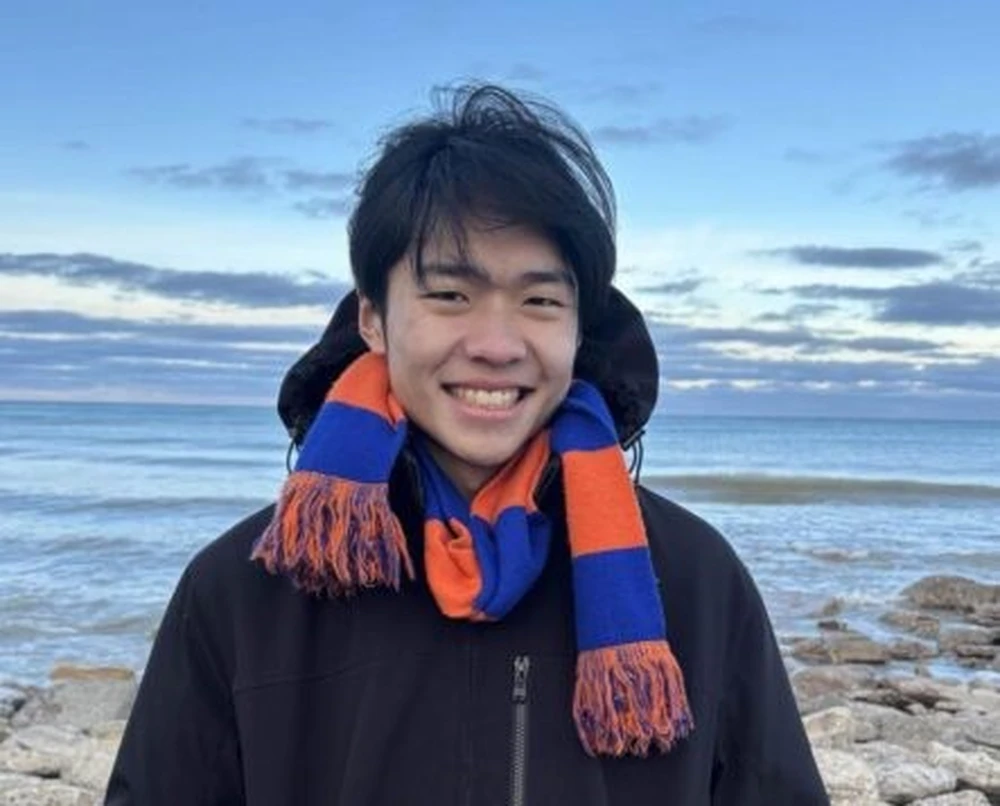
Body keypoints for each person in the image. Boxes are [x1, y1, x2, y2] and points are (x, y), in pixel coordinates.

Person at [105, 83, 829, 805]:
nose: (495, 345)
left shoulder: (695, 580)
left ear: (580, 329)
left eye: (540, 300)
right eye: (450, 294)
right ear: (374, 318)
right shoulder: (245, 590)